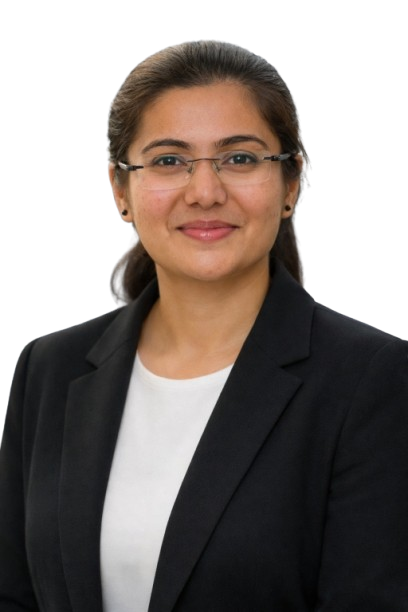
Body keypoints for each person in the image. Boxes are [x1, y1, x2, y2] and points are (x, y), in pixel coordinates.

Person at [0, 39, 407, 612]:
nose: (205, 192)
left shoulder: (370, 378)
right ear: (121, 189)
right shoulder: (49, 368)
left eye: (239, 158)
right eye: (169, 161)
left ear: (291, 183)